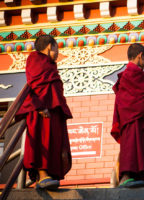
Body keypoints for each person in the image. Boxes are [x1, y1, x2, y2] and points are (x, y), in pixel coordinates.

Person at [17, 35, 72, 190]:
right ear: (50, 46)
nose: (58, 52)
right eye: (57, 48)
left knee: (55, 142)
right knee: (43, 141)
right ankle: (42, 175)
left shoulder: (49, 64)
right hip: (42, 110)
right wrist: (40, 106)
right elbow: (35, 82)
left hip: (53, 110)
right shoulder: (35, 59)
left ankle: (51, 175)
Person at [111, 43, 144, 188]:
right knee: (132, 148)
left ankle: (136, 178)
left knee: (138, 148)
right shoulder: (134, 74)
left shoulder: (127, 75)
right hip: (132, 119)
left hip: (134, 118)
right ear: (140, 56)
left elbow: (141, 97)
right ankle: (125, 177)